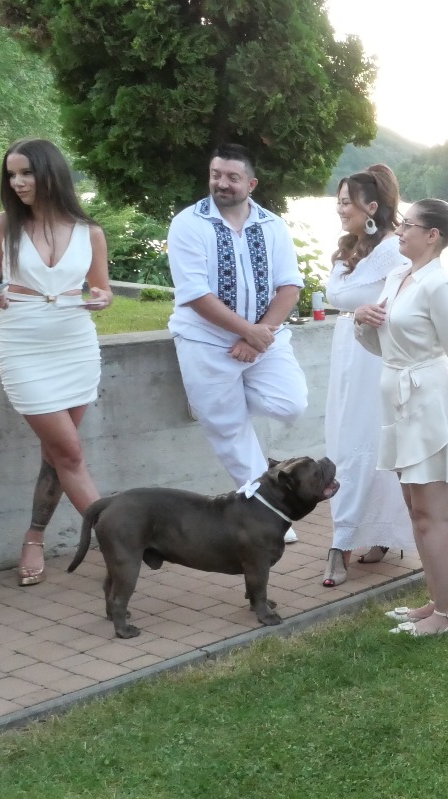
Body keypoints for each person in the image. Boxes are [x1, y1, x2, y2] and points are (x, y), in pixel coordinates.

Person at [353, 199, 448, 638]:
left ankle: (447, 616)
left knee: (432, 516)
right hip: (399, 404)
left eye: (407, 225)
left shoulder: (439, 286)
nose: (398, 231)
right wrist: (361, 321)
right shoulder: (399, 277)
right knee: (416, 512)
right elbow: (383, 346)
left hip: (431, 408)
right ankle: (435, 601)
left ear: (432, 235)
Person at [166, 144, 308, 541]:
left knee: (292, 403)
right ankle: (270, 519)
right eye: (216, 175)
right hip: (206, 340)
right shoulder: (188, 224)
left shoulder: (272, 225)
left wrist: (258, 335)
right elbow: (195, 293)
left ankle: (211, 401)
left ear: (251, 183)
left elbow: (290, 285)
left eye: (232, 177)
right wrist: (247, 331)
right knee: (230, 432)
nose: (222, 183)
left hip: (266, 337)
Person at [0, 138, 114, 587]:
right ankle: (118, 536)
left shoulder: (90, 232)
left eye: (26, 172)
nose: (18, 182)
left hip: (75, 346)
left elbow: (101, 288)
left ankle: (34, 536)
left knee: (57, 455)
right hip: (23, 346)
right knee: (70, 453)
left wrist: (101, 299)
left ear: (50, 174)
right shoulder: (3, 225)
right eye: (11, 175)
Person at [321, 164, 415, 587]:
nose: (340, 209)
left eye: (347, 202)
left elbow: (407, 304)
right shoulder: (349, 249)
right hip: (348, 353)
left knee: (369, 446)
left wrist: (366, 312)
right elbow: (338, 297)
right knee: (344, 441)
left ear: (371, 207)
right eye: (339, 201)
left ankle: (343, 543)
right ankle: (365, 535)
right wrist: (354, 313)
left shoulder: (395, 251)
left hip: (377, 359)